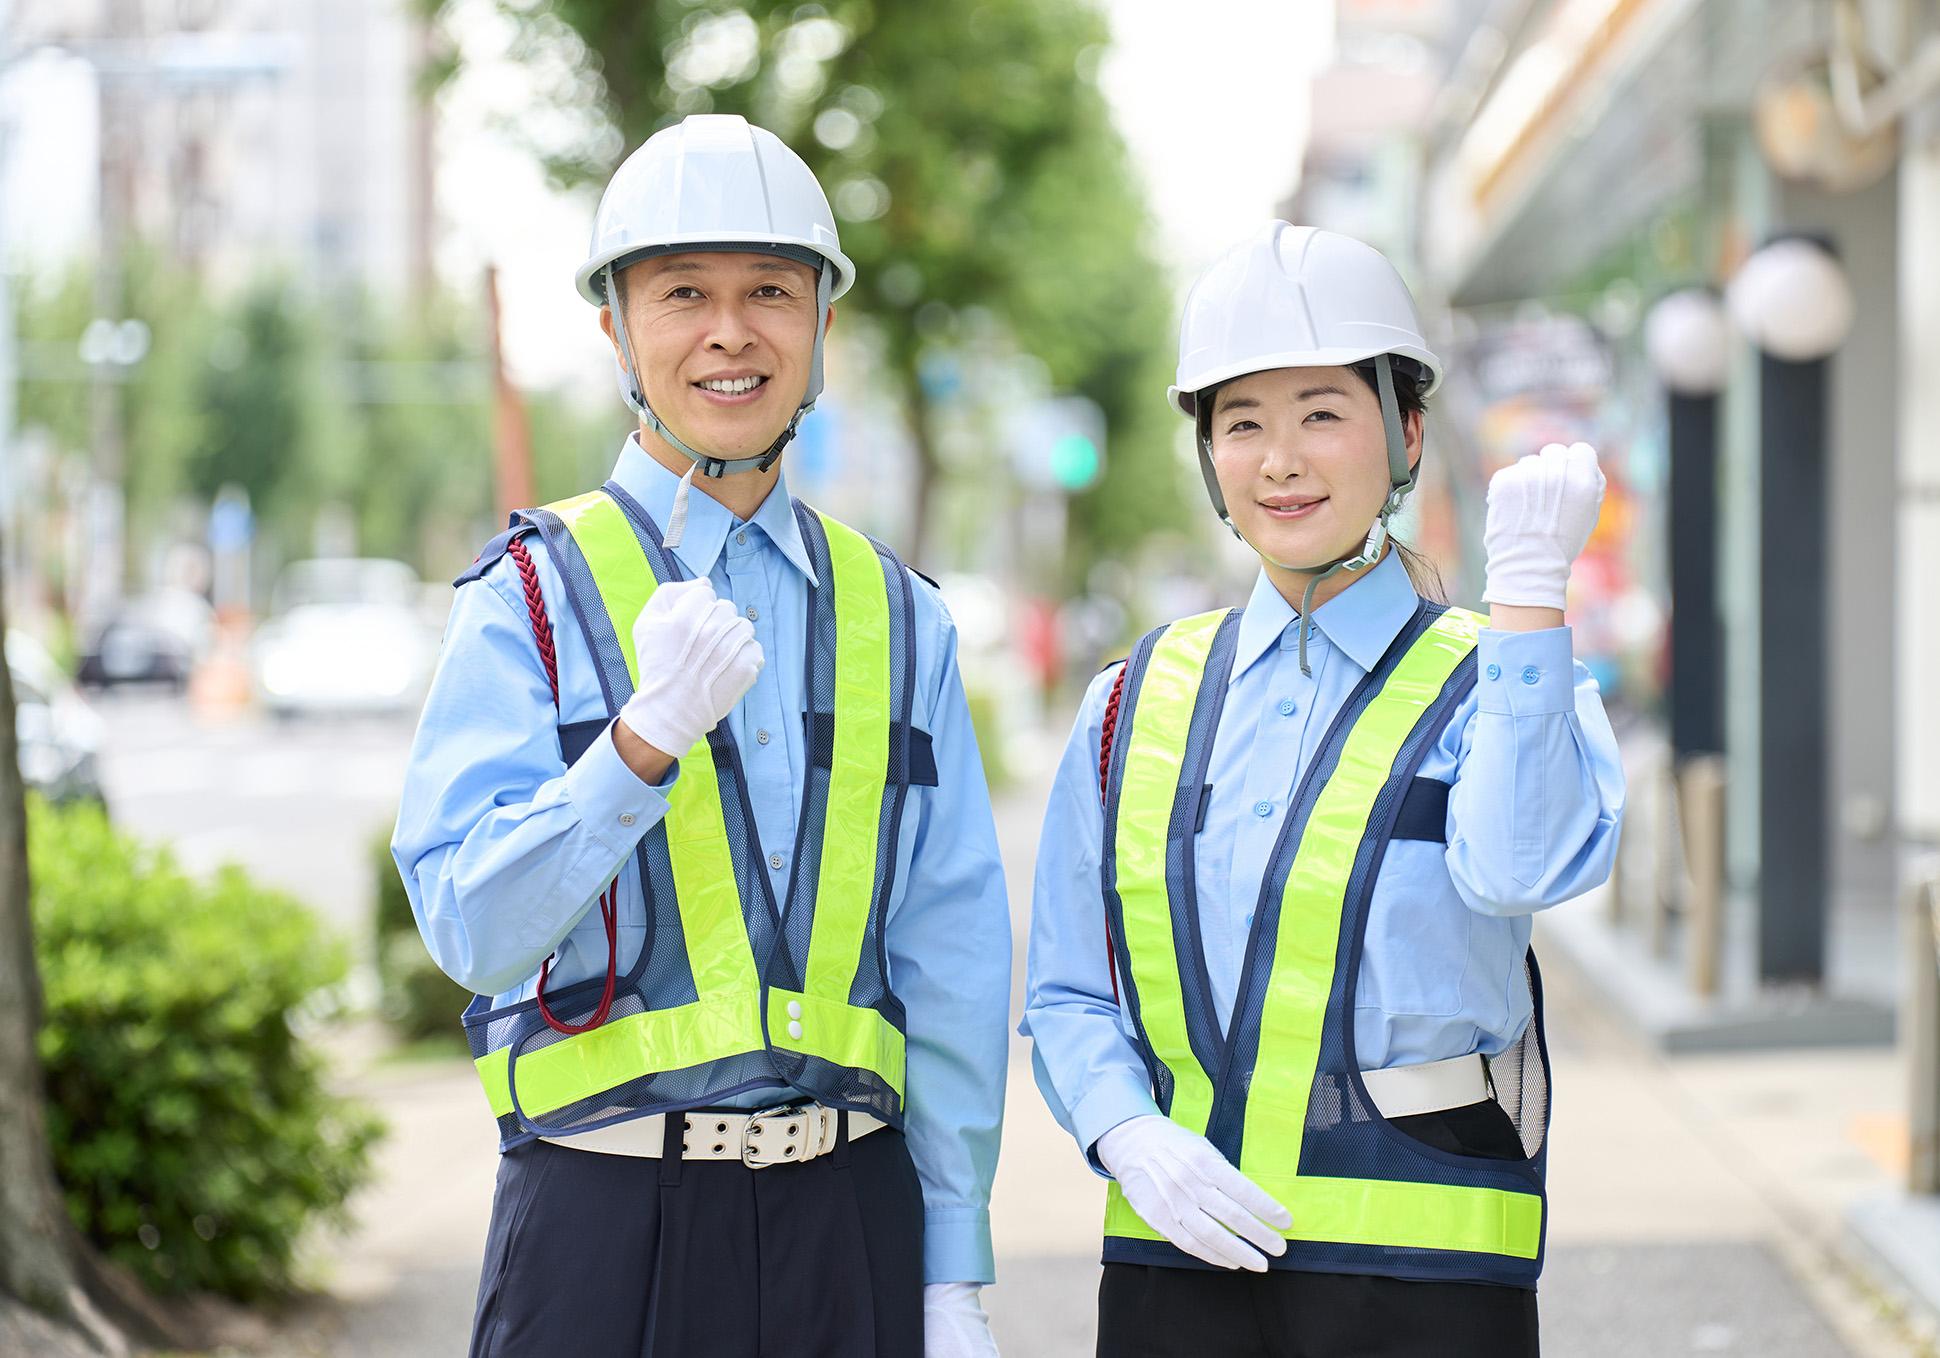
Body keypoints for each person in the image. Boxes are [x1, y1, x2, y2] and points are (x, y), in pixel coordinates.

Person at [393, 114, 1008, 1358]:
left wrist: (953, 1267)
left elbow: (950, 961)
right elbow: (471, 927)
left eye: (770, 291)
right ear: (616, 328)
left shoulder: (900, 616)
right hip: (596, 1221)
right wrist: (634, 748)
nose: (731, 332)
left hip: (850, 1214)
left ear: (822, 325)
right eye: (682, 293)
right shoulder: (527, 597)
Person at [1020, 221, 1626, 1357]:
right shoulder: (1130, 701)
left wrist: (1530, 604)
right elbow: (1066, 988)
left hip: (1428, 1283)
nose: (1279, 459)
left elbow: (1518, 867)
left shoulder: (1496, 679)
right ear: (1206, 453)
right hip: (1177, 1262)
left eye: (1320, 413)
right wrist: (1121, 1130)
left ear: (1403, 431)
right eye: (1241, 422)